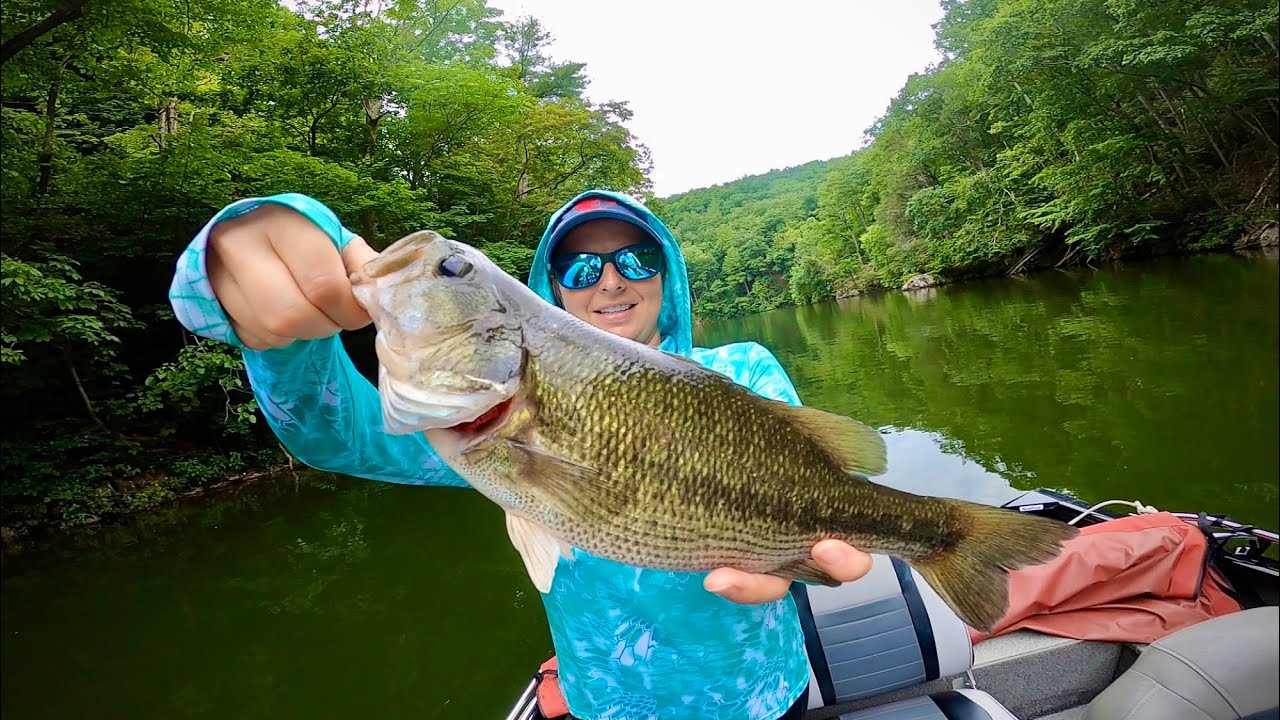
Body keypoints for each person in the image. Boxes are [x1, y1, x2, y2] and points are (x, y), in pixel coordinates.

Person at [168, 190, 874, 720]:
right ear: (550, 288)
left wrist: (801, 565)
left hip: (757, 697)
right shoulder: (480, 421)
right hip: (607, 707)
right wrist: (271, 300)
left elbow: (809, 510)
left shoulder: (742, 370)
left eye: (634, 258)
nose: (610, 280)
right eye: (580, 264)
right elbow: (329, 434)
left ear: (667, 272)